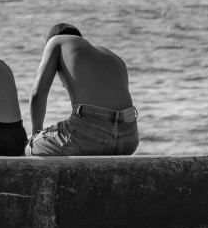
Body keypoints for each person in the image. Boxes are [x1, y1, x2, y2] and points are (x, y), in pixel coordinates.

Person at [26, 23, 139, 156]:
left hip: (90, 135)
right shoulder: (114, 57)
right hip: (129, 138)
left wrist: (35, 137)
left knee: (28, 147)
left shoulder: (56, 41)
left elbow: (37, 94)